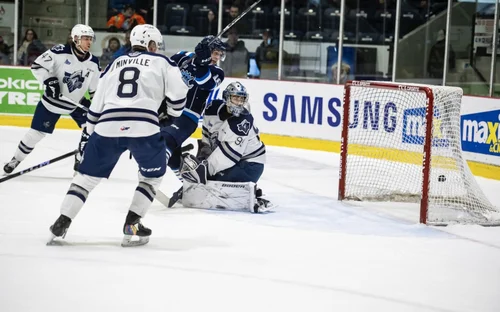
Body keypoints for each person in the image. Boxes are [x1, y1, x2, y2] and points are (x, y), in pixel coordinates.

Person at [47, 24, 188, 247]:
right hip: (144, 127)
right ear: (151, 44)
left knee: (85, 179)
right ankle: (132, 222)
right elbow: (179, 96)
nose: (157, 48)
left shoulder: (114, 63)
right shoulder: (162, 62)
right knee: (151, 177)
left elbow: (96, 106)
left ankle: (62, 220)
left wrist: (89, 137)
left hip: (106, 126)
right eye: (156, 44)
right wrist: (170, 114)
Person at [3, 24, 100, 175]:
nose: (89, 42)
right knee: (35, 134)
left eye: (90, 39)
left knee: (92, 127)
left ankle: (81, 157)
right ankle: (16, 159)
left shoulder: (94, 62)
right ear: (75, 39)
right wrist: (49, 81)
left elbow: (94, 90)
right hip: (51, 103)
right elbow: (37, 66)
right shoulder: (59, 52)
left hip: (76, 104)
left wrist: (98, 107)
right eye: (85, 39)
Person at [180, 82, 271, 213]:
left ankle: (246, 191)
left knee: (210, 179)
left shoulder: (242, 122)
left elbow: (229, 156)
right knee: (205, 175)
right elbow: (207, 137)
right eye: (235, 98)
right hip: (238, 161)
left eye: (242, 99)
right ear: (226, 98)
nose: (239, 102)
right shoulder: (212, 109)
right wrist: (203, 157)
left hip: (250, 166)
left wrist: (204, 170)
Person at [161, 35, 225, 184]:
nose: (217, 57)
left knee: (165, 142)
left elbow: (205, 83)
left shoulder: (217, 72)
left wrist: (199, 63)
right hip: (167, 111)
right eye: (215, 53)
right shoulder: (182, 56)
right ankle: (189, 185)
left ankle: (153, 172)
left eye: (220, 54)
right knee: (173, 158)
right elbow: (163, 73)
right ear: (206, 50)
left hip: (187, 116)